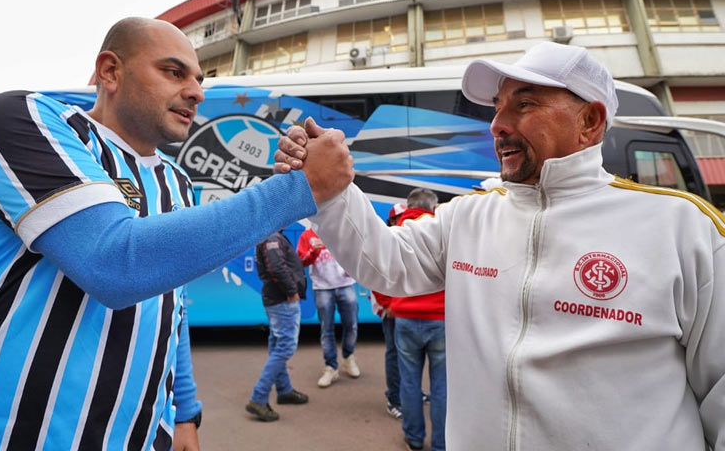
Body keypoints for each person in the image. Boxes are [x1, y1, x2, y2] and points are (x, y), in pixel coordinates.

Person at [0, 17, 353, 451]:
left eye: (199, 80)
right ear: (110, 71)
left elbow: (171, 309)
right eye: (174, 72)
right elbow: (112, 263)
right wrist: (300, 188)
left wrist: (184, 412)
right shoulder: (19, 119)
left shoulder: (177, 181)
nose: (196, 92)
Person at [276, 41, 725, 450]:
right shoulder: (468, 216)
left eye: (524, 104)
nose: (497, 124)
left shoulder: (685, 229)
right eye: (497, 107)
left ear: (589, 121)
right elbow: (386, 264)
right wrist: (331, 191)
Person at [389, 188, 445, 451]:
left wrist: (388, 303)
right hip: (440, 317)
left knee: (409, 381)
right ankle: (441, 443)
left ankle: (413, 438)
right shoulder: (442, 230)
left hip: (405, 317)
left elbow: (381, 271)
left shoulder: (396, 231)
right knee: (441, 385)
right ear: (432, 206)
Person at [246, 231, 309, 422]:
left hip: (276, 299)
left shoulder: (270, 235)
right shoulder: (272, 237)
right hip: (282, 300)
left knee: (277, 345)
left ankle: (284, 390)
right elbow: (277, 267)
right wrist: (291, 291)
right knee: (285, 347)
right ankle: (258, 398)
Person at [296, 228, 360, 388]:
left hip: (346, 284)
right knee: (327, 329)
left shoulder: (341, 230)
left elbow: (356, 252)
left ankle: (348, 357)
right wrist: (313, 251)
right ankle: (331, 367)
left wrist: (352, 268)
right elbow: (301, 261)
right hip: (322, 287)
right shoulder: (307, 235)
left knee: (351, 325)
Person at [371, 201, 407, 419]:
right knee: (395, 354)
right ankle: (394, 399)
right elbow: (375, 277)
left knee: (410, 356)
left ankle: (409, 393)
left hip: (408, 310)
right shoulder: (384, 242)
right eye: (400, 218)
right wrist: (387, 304)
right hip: (392, 310)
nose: (405, 221)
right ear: (392, 221)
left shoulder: (410, 239)